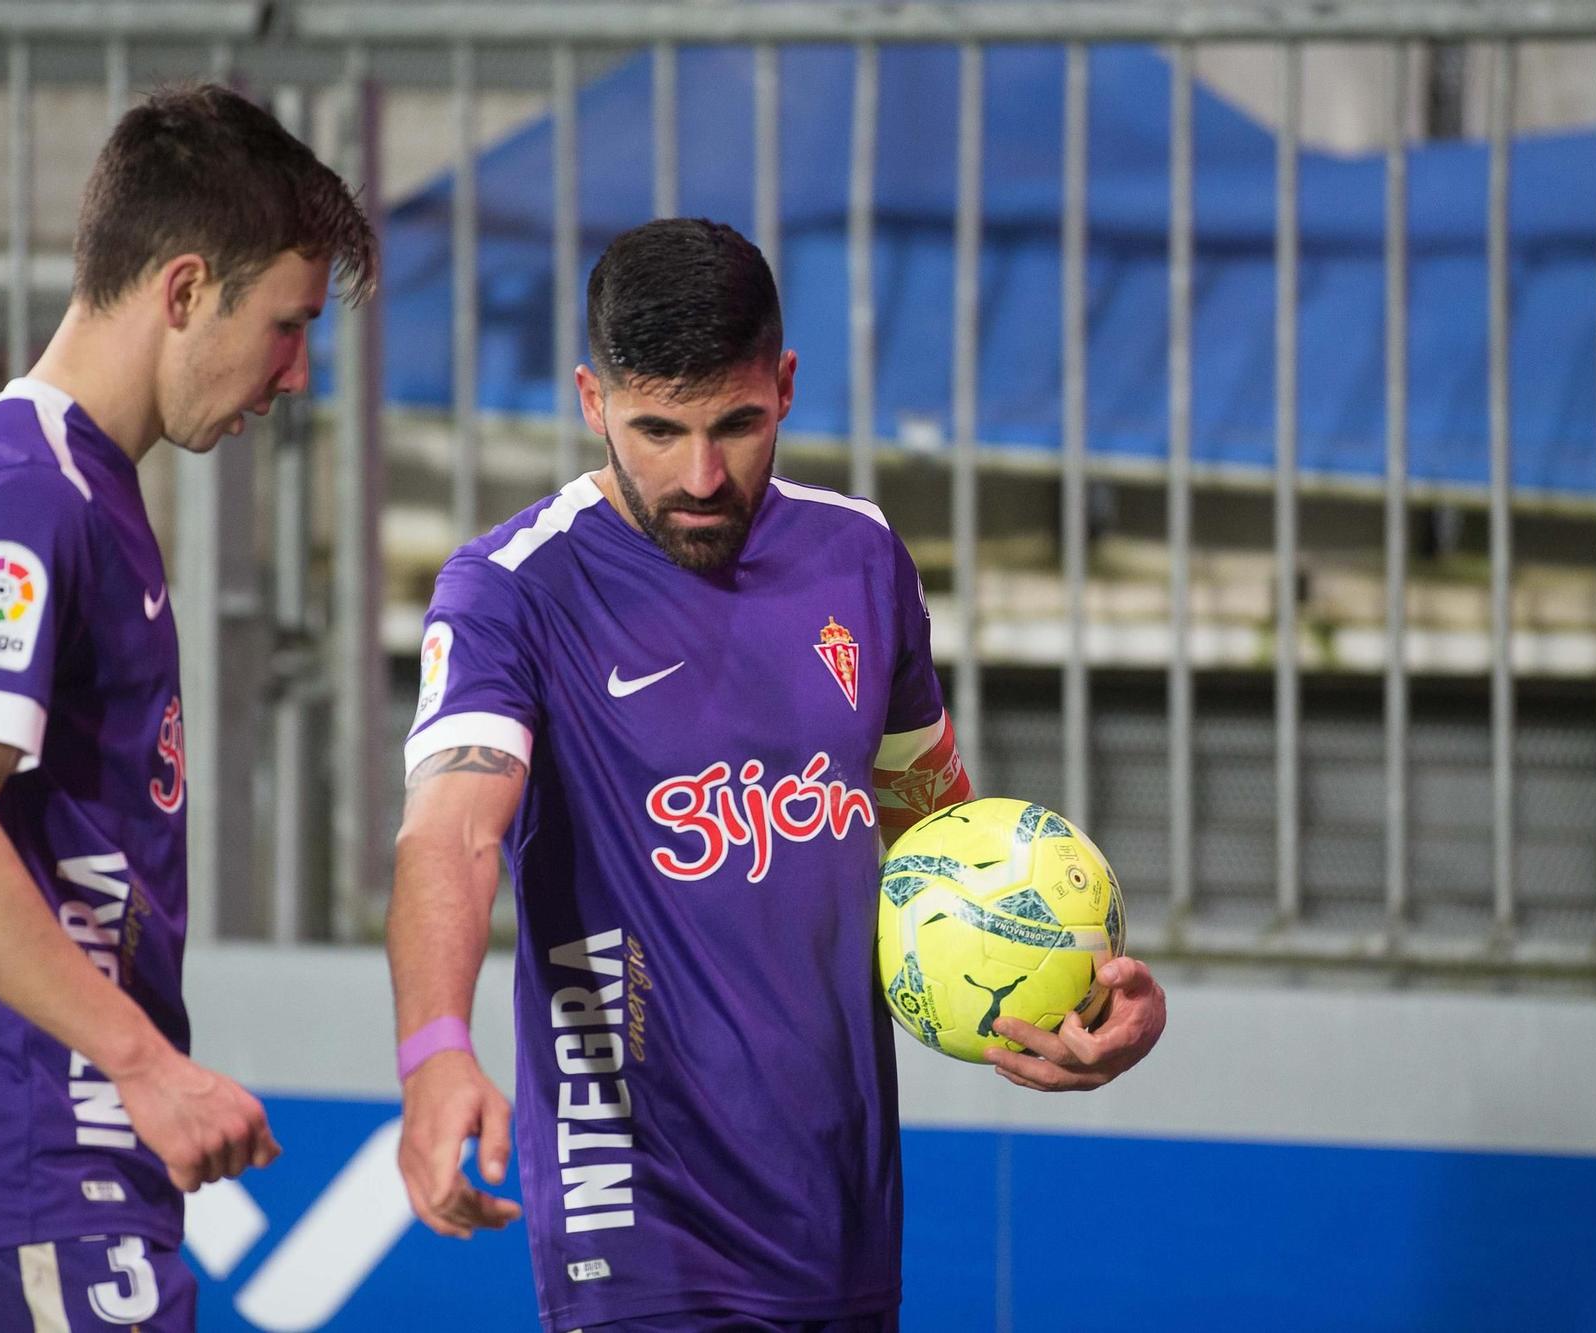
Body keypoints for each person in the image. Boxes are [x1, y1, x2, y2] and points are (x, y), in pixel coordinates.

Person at [388, 218, 1165, 1332]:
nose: (700, 476)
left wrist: (1079, 990)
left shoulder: (860, 559)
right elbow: (448, 836)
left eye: (737, 425)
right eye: (657, 429)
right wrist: (433, 1049)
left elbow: (939, 849)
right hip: (638, 1221)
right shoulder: (512, 591)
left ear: (786, 385)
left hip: (841, 1217)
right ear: (588, 399)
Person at [0, 84, 376, 1331]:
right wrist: (143, 1061)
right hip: (34, 1151)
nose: (295, 375)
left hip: (36, 1161)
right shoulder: (24, 500)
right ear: (185, 290)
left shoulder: (56, 485)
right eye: (287, 326)